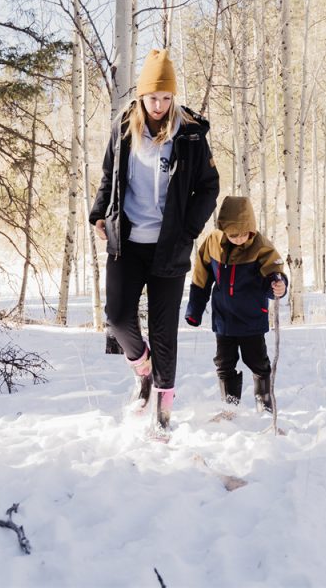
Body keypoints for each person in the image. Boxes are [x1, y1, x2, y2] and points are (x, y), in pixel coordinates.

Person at [89, 49, 220, 432]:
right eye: (152, 97)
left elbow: (209, 188)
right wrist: (99, 215)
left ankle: (163, 413)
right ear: (142, 96)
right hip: (127, 243)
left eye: (165, 97)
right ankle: (142, 370)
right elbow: (108, 178)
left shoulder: (191, 134)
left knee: (165, 331)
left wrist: (187, 229)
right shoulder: (123, 128)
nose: (159, 105)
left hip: (169, 248)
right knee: (117, 317)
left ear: (173, 96)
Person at [184, 195, 287, 413]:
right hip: (224, 319)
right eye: (233, 235)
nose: (239, 238)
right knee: (224, 363)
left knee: (257, 361)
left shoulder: (261, 246)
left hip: (251, 318)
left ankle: (264, 402)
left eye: (243, 234)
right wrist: (194, 310)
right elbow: (201, 277)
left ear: (251, 228)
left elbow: (275, 272)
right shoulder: (212, 242)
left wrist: (278, 285)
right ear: (223, 229)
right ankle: (230, 406)